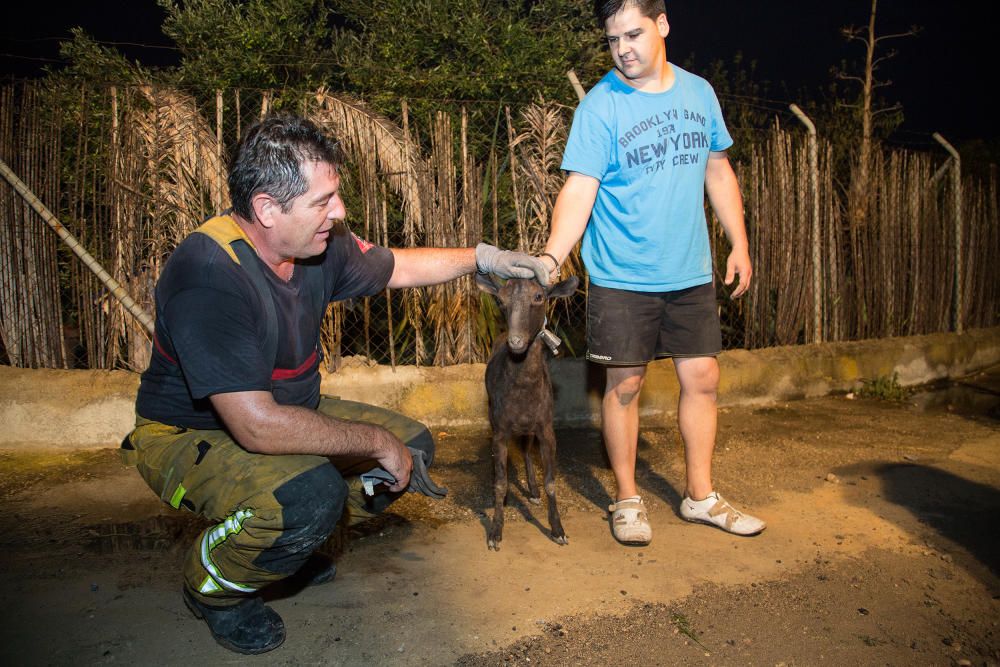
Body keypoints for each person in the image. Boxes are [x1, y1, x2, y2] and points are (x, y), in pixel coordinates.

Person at [121, 114, 551, 654]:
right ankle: (213, 587)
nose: (339, 212)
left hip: (280, 408)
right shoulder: (209, 272)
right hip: (187, 433)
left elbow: (397, 269)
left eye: (336, 196)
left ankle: (293, 545)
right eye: (323, 200)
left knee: (411, 452)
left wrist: (485, 258)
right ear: (267, 210)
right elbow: (255, 427)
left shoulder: (316, 245)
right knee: (311, 494)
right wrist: (374, 441)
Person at [540, 0, 766, 545]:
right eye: (614, 40)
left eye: (634, 34)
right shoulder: (599, 107)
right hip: (622, 275)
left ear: (663, 26)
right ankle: (626, 498)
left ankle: (700, 496)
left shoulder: (699, 93)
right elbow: (580, 188)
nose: (624, 50)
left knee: (703, 379)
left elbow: (718, 169)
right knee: (625, 386)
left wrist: (739, 241)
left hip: (690, 270)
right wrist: (551, 256)